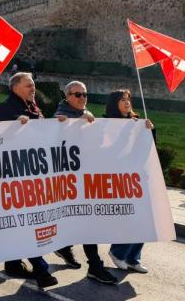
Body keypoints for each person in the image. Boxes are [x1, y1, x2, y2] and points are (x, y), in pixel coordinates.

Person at [0, 72, 58, 289]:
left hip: (33, 177)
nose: (33, 88)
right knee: (25, 226)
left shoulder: (34, 108)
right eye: (29, 85)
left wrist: (60, 125)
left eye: (33, 85)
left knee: (23, 225)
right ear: (15, 87)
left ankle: (12, 264)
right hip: (13, 179)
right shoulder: (3, 110)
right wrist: (12, 126)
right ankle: (42, 270)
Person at [51, 80, 120, 285]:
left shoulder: (85, 114)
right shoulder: (60, 117)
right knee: (88, 222)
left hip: (85, 178)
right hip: (69, 182)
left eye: (85, 94)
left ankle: (64, 247)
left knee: (83, 220)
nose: (82, 98)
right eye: (77, 94)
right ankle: (95, 266)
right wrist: (79, 121)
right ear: (67, 97)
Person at [105, 89, 154, 274]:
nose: (127, 102)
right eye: (122, 100)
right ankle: (118, 252)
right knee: (131, 217)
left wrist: (150, 130)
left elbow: (149, 150)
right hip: (121, 177)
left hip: (139, 176)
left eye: (128, 99)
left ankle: (133, 258)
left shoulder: (137, 122)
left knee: (144, 218)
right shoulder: (108, 123)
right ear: (114, 103)